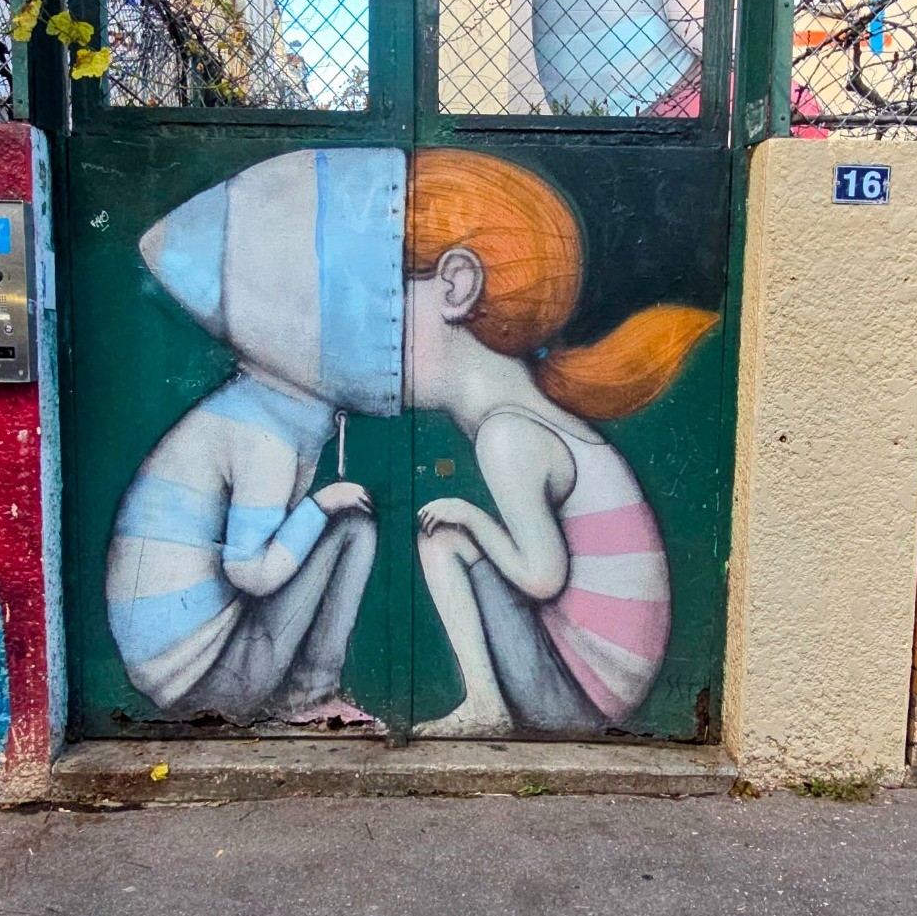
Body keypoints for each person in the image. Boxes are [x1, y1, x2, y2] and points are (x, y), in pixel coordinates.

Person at [404, 148, 716, 736]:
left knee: (444, 538)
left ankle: (486, 709)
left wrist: (471, 516)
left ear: (456, 284)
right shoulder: (539, 419)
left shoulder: (509, 433)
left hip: (578, 695)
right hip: (597, 677)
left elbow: (542, 578)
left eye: (385, 297)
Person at [106, 148, 403, 725]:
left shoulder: (246, 408)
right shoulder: (264, 436)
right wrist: (322, 503)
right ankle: (309, 697)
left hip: (182, 660)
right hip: (203, 676)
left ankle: (305, 694)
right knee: (353, 528)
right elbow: (252, 572)